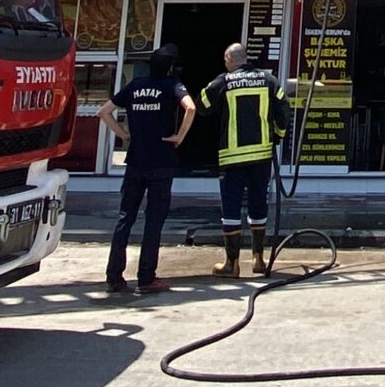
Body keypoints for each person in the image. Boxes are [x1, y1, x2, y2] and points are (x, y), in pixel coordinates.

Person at [98, 45, 194, 297]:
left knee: (124, 218)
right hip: (161, 161)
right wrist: (179, 137)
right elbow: (191, 108)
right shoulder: (172, 85)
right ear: (171, 66)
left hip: (136, 161)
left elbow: (104, 112)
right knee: (154, 221)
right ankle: (146, 277)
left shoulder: (136, 85)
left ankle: (114, 276)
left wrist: (123, 135)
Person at [199, 41, 288, 278]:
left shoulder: (224, 81)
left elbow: (203, 105)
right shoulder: (268, 80)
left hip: (232, 157)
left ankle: (232, 264)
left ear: (229, 60)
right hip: (261, 155)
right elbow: (283, 111)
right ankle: (259, 260)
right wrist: (277, 137)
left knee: (231, 208)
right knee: (258, 204)